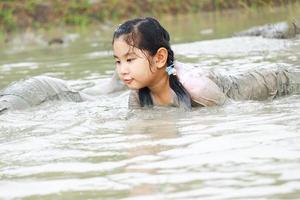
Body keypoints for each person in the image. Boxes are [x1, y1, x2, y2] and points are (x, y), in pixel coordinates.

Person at [1, 17, 299, 113]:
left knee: (287, 79)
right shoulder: (136, 91)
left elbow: (231, 114)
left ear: (159, 58)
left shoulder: (198, 88)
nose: (122, 69)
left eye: (130, 60)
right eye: (117, 61)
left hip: (247, 85)